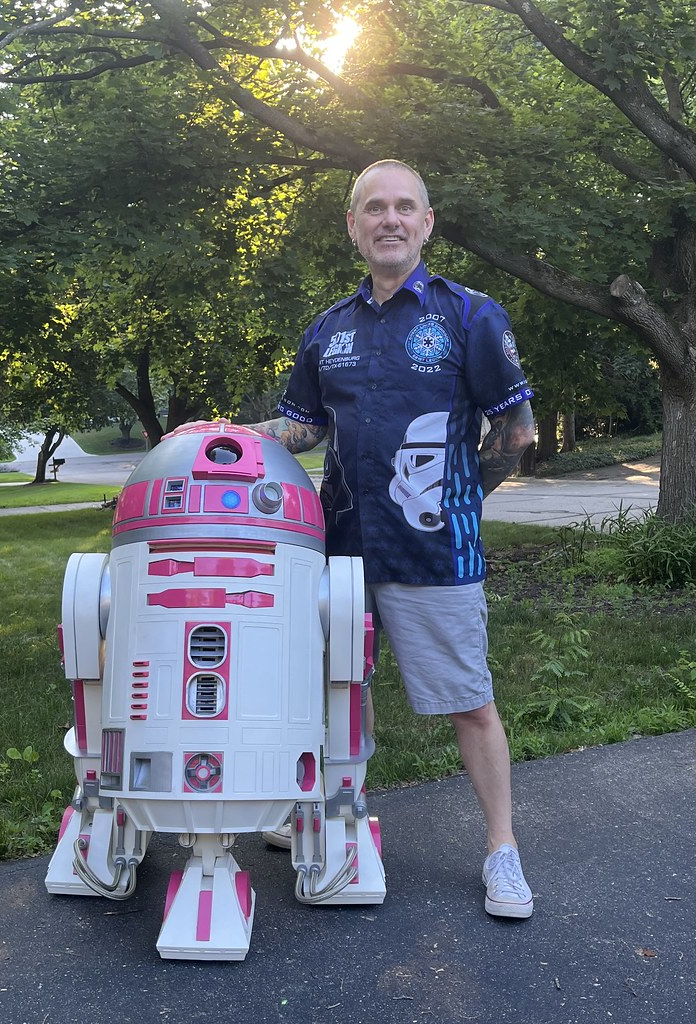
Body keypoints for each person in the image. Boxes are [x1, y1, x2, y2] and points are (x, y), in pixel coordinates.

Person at [250, 159, 536, 919]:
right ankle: (336, 814)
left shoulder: (472, 316)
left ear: (426, 223)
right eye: (374, 207)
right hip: (340, 548)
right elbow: (303, 428)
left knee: (470, 701)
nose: (390, 219)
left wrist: (462, 496)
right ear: (353, 225)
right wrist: (227, 433)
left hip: (434, 554)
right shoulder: (328, 330)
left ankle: (502, 850)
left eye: (405, 206)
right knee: (342, 689)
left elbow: (516, 431)